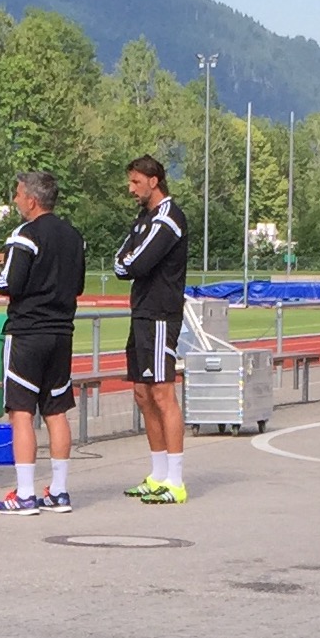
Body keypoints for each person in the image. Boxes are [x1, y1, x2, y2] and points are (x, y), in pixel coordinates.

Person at [0, 171, 86, 515]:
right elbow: (77, 285)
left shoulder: (25, 235)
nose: (15, 200)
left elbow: (9, 281)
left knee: (21, 411)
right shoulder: (73, 236)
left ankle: (26, 493)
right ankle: (59, 491)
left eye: (17, 195)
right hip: (62, 332)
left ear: (31, 199)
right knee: (57, 410)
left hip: (28, 332)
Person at [114, 155, 191, 505]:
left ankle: (176, 480)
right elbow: (120, 261)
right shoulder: (143, 218)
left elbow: (138, 262)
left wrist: (129, 263)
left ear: (154, 181)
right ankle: (158, 473)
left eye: (135, 183)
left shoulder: (169, 218)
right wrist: (128, 262)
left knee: (162, 392)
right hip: (141, 313)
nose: (131, 189)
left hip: (162, 314)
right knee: (142, 394)